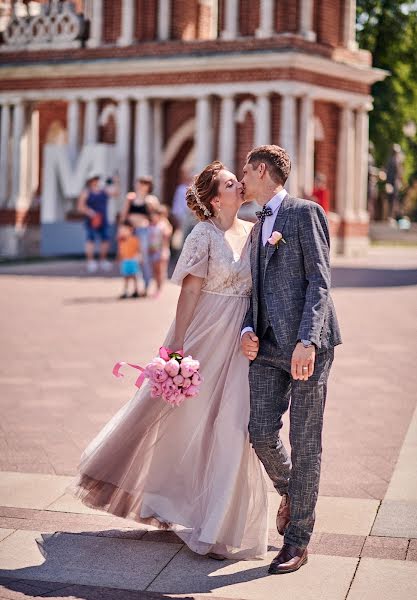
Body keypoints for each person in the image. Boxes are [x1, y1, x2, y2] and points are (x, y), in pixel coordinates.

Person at [70, 161, 268, 560]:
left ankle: (216, 524)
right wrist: (176, 350)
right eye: (232, 183)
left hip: (241, 340)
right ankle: (146, 487)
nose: (240, 185)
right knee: (179, 416)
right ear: (216, 199)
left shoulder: (255, 230)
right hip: (204, 335)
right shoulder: (203, 234)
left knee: (231, 425)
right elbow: (190, 294)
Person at [240, 145, 342, 575]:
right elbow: (256, 287)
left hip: (306, 347)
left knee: (305, 442)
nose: (241, 178)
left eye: (245, 170)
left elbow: (320, 281)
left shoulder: (305, 213)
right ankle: (293, 493)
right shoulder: (258, 220)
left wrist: (308, 340)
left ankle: (297, 541)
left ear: (262, 170)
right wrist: (247, 328)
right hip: (265, 347)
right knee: (260, 431)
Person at [120, 176, 160, 296]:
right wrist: (121, 230)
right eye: (140, 183)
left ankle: (146, 286)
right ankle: (133, 288)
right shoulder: (131, 197)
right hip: (131, 230)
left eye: (145, 184)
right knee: (130, 258)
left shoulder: (151, 199)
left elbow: (156, 217)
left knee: (144, 258)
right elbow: (124, 215)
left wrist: (149, 207)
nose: (142, 186)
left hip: (143, 230)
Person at [77, 174, 118, 273]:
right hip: (91, 221)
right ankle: (90, 262)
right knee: (90, 240)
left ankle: (103, 260)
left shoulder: (104, 191)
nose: (97, 182)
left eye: (97, 180)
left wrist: (115, 181)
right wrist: (90, 212)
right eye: (94, 180)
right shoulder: (86, 193)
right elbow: (80, 207)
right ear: (90, 181)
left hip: (103, 220)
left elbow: (116, 193)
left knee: (105, 240)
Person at [148, 205, 173, 298]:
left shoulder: (164, 225)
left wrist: (164, 222)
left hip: (162, 251)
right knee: (155, 271)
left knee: (160, 271)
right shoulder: (151, 225)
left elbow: (167, 235)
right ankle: (156, 288)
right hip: (153, 251)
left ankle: (159, 290)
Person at [117, 220, 141, 299]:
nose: (122, 232)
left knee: (135, 276)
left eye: (124, 230)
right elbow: (121, 251)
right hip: (125, 261)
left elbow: (138, 249)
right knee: (126, 277)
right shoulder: (121, 240)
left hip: (133, 260)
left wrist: (138, 257)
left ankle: (136, 290)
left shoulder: (134, 239)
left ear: (130, 229)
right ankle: (125, 291)